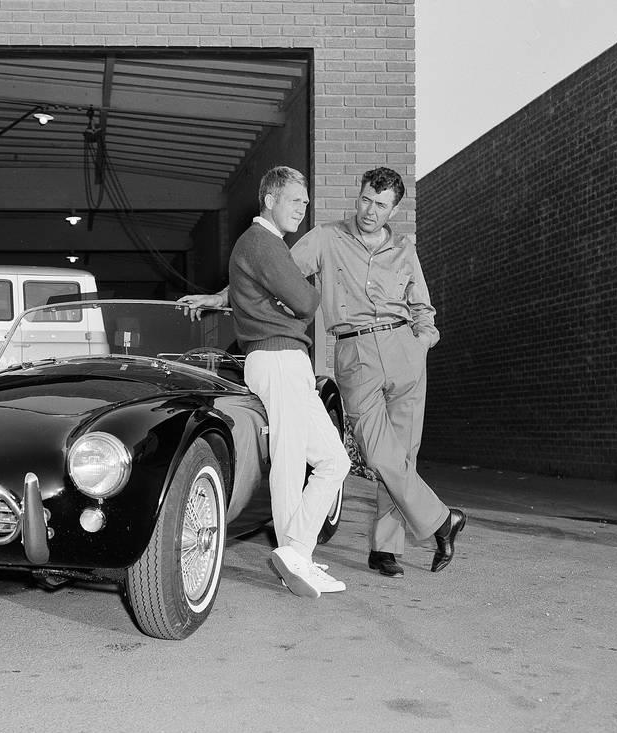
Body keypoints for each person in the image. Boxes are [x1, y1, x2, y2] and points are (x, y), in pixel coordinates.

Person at [180, 167, 466, 578]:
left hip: (404, 348)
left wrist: (423, 341)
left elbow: (422, 306)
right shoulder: (326, 238)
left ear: (393, 210)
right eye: (366, 199)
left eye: (381, 205)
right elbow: (272, 273)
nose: (370, 210)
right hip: (356, 351)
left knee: (403, 455)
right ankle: (441, 520)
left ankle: (386, 548)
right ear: (359, 195)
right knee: (376, 451)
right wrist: (221, 296)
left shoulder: (405, 249)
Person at [225, 165, 351, 598]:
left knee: (335, 459)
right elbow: (306, 300)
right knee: (291, 457)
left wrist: (292, 297)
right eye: (296, 200)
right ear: (271, 199)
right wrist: (298, 294)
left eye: (306, 202)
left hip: (286, 358)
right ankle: (295, 554)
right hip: (277, 357)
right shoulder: (263, 243)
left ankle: (296, 550)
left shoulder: (267, 245)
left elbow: (295, 302)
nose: (304, 208)